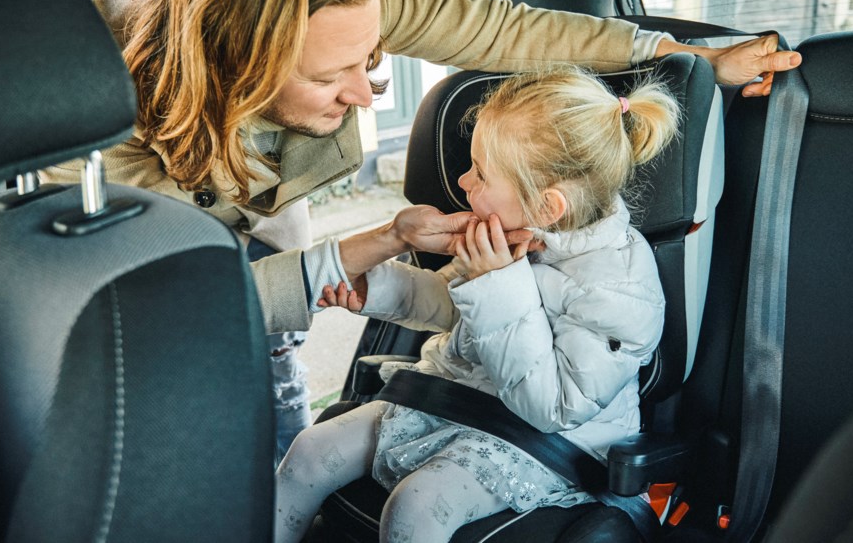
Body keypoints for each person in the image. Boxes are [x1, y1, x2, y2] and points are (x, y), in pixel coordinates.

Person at [42, 0, 801, 460]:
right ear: (236, 62)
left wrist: (681, 51)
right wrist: (348, 259)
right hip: (153, 254)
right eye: (331, 74)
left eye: (369, 58)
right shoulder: (87, 108)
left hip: (267, 214)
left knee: (276, 401)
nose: (369, 94)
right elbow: (163, 311)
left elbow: (511, 30)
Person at [274, 66, 679, 542]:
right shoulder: (505, 235)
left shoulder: (620, 288)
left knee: (418, 506)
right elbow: (449, 305)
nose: (463, 181)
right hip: (454, 401)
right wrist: (375, 290)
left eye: (481, 173)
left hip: (545, 443)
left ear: (548, 207)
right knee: (308, 451)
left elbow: (555, 408)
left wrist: (498, 282)